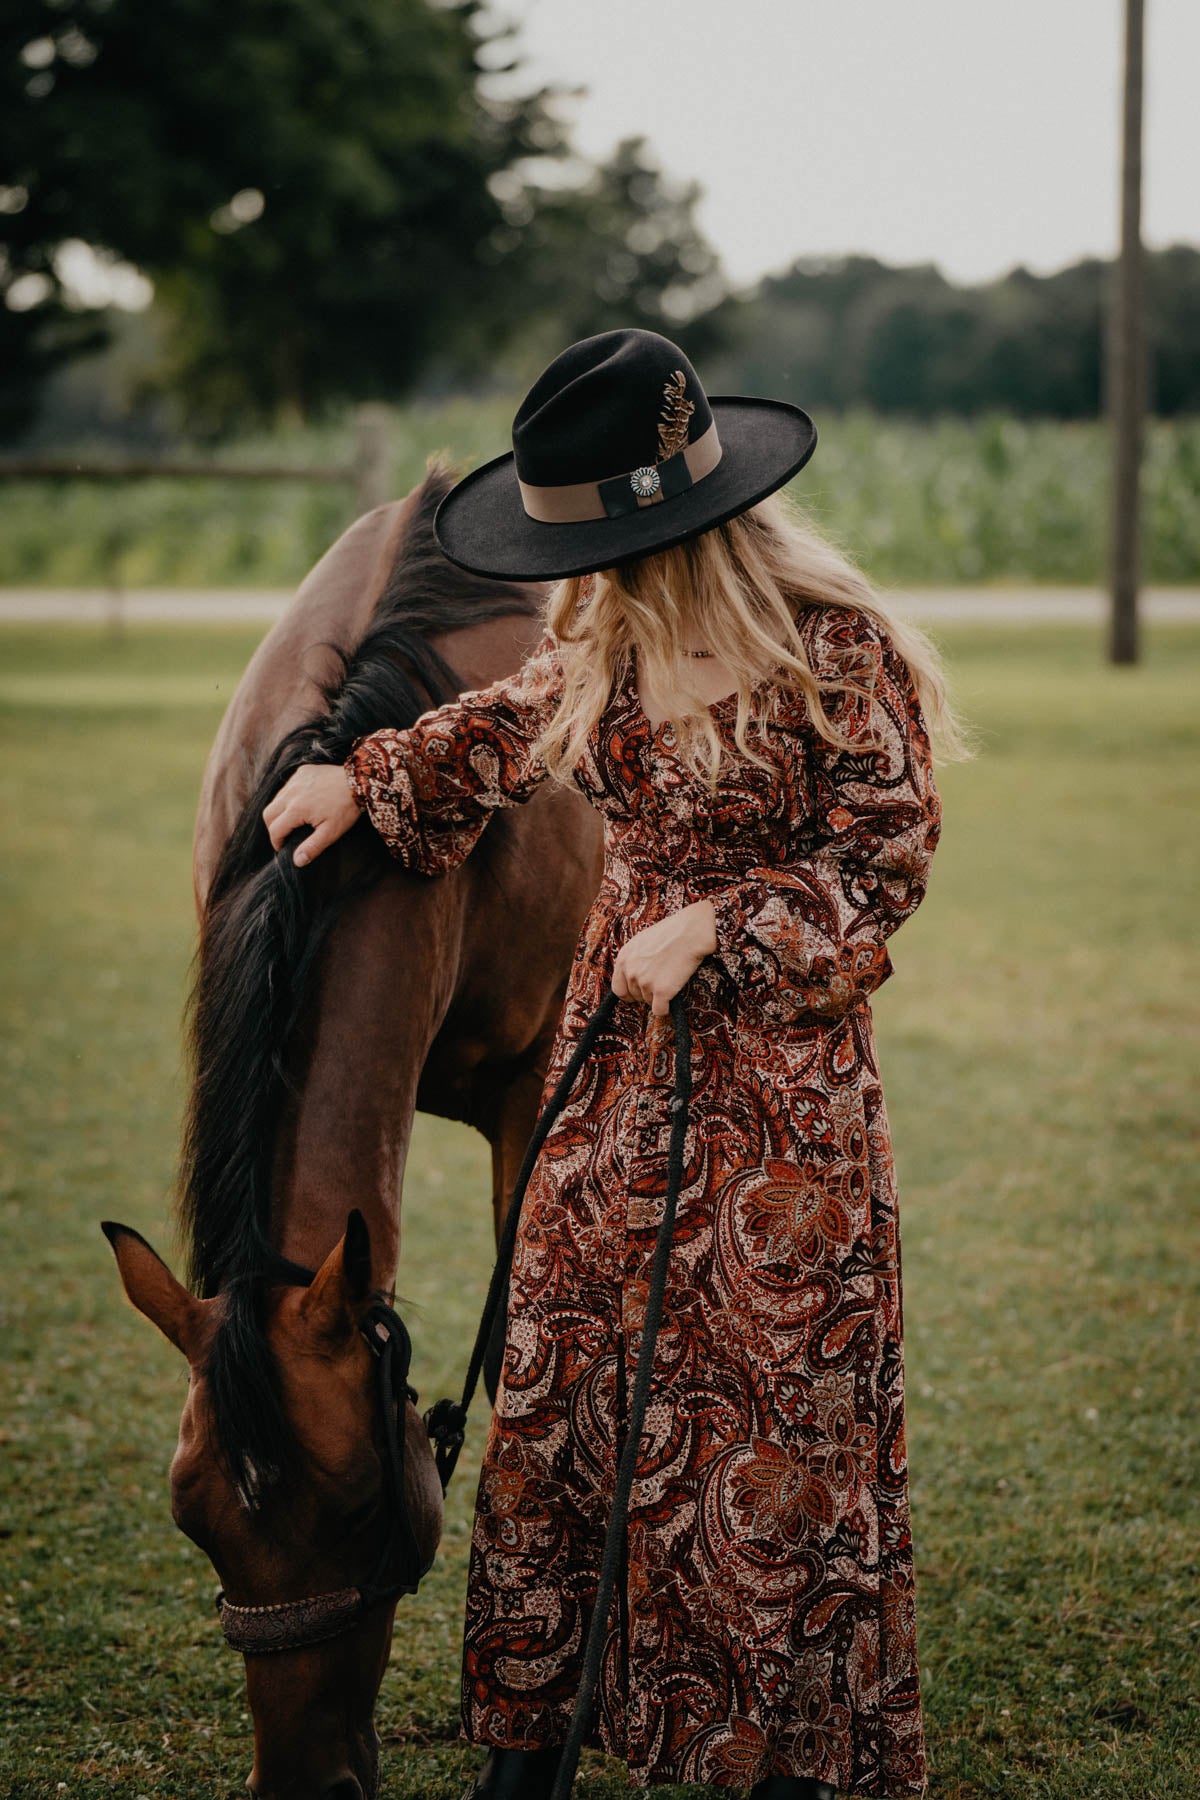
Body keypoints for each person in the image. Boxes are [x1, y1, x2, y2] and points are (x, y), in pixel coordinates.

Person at [264, 329, 965, 1800]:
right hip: (614, 1084)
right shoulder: (599, 638)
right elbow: (497, 732)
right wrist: (364, 775)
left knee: (768, 1412)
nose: (575, 583)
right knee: (566, 1386)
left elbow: (885, 865)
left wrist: (718, 923)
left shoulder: (842, 653)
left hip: (784, 1104)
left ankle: (772, 1753)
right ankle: (536, 1745)